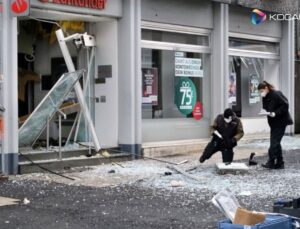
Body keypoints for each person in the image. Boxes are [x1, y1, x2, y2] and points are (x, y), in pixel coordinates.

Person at [258, 81, 293, 169]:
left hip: (281, 122)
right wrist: (264, 112)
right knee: (276, 142)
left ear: (266, 88)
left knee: (274, 143)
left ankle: (271, 161)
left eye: (261, 91)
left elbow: (285, 105)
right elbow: (266, 108)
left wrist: (275, 113)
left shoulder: (277, 94)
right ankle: (280, 162)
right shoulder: (265, 97)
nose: (261, 93)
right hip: (273, 123)